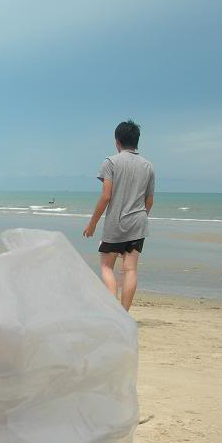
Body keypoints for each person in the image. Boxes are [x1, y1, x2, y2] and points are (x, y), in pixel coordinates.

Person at [83, 120, 154, 312]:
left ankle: (112, 309)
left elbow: (106, 196)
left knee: (106, 267)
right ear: (137, 141)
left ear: (117, 142)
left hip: (116, 223)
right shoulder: (148, 166)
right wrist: (138, 219)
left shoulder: (111, 162)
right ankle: (123, 314)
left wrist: (92, 224)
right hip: (138, 223)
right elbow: (149, 201)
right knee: (130, 269)